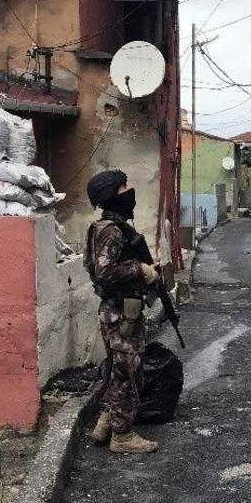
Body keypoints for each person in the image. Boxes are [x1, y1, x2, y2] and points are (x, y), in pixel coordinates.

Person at [84, 169, 161, 454]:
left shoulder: (108, 228)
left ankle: (106, 422)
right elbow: (105, 273)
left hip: (118, 310)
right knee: (129, 372)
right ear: (110, 195)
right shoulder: (110, 231)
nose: (129, 192)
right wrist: (139, 269)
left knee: (119, 370)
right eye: (123, 188)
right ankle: (123, 436)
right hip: (120, 313)